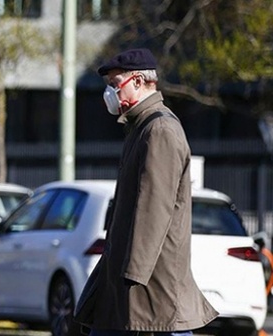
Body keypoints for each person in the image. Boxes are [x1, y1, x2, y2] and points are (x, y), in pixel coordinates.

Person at [76, 48, 218, 336]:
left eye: (115, 86)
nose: (110, 95)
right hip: (133, 285)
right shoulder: (141, 127)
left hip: (149, 286)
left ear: (138, 82)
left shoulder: (159, 130)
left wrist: (133, 275)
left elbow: (155, 208)